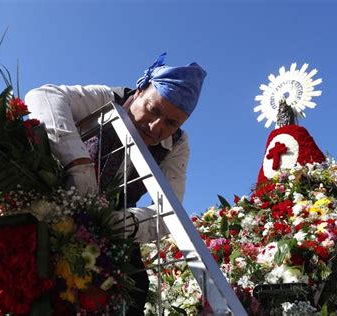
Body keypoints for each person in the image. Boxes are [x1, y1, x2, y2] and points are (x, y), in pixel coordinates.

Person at [25, 53, 206, 315]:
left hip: (116, 218)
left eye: (171, 122)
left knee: (134, 287)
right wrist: (79, 165)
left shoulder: (178, 144)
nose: (156, 127)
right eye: (154, 110)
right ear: (141, 89)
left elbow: (170, 211)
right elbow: (43, 96)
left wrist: (122, 223)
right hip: (59, 193)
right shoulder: (109, 98)